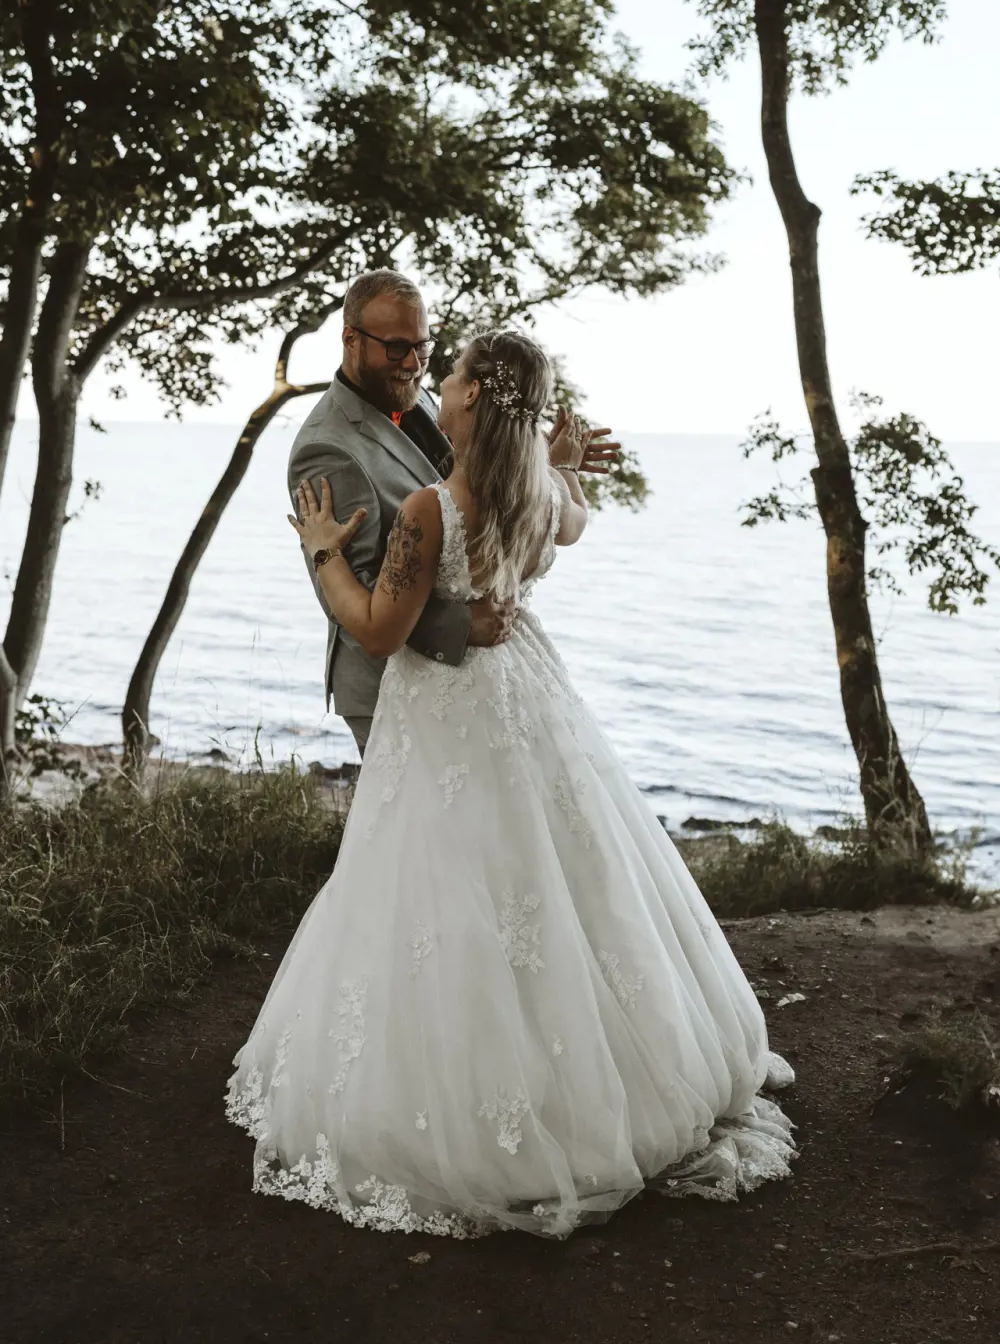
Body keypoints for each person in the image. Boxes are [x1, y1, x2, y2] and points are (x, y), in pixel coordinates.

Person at [226, 329, 796, 1240]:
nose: (440, 383)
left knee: (446, 880)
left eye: (451, 374)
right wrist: (560, 460)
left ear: (475, 400)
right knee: (562, 874)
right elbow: (570, 513)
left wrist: (326, 549)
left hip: (448, 712)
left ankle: (481, 1104)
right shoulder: (540, 496)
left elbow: (377, 630)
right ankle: (605, 1073)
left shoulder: (427, 510)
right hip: (529, 691)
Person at [286, 268, 617, 755]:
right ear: (351, 339)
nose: (417, 365)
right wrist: (460, 625)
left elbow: (479, 480)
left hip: (484, 679)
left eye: (424, 346)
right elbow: (355, 598)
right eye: (398, 347)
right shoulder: (327, 448)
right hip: (396, 686)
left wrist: (533, 462)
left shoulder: (424, 394)